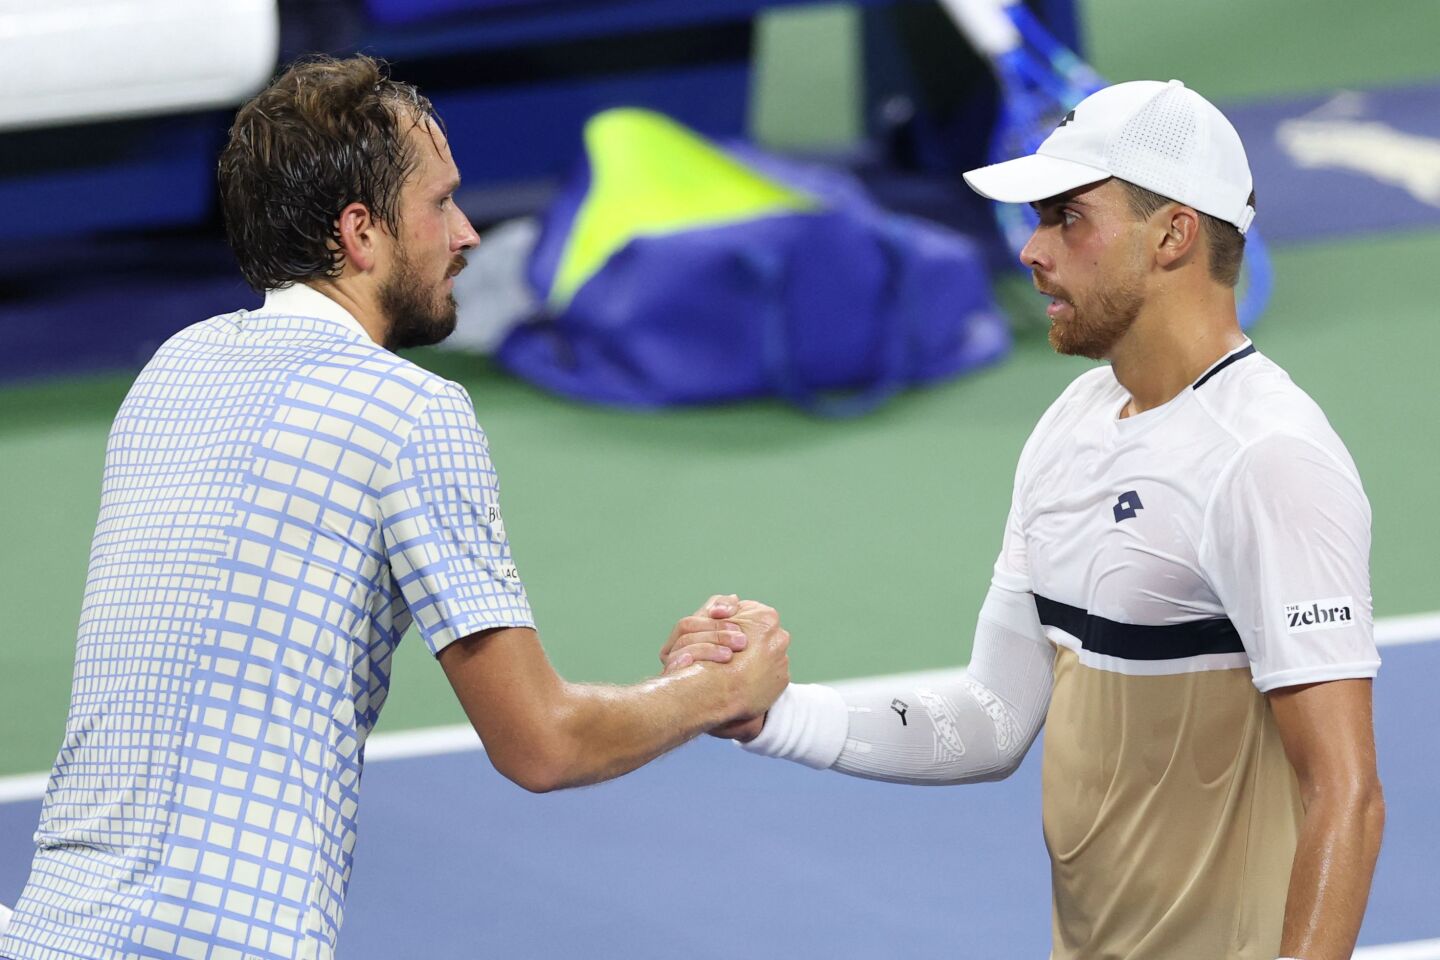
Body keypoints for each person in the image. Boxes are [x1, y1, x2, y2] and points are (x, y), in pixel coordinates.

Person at [0, 55, 789, 960]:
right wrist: (720, 688)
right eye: (440, 204)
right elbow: (544, 742)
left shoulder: (172, 371)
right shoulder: (411, 412)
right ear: (361, 234)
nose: (467, 234)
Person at [665, 79, 1384, 960]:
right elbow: (994, 715)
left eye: (1067, 218)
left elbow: (1344, 794)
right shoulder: (1072, 427)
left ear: (1172, 235)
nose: (1033, 250)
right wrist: (772, 714)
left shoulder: (1267, 460)